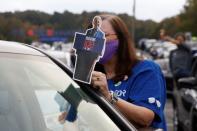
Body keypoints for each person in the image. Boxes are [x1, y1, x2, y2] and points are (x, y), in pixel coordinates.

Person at [91, 14, 167, 130]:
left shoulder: (146, 70)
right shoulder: (89, 75)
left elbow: (146, 118)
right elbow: (67, 118)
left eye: (103, 35)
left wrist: (108, 96)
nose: (97, 41)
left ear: (121, 39)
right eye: (92, 36)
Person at [73, 16, 105, 83]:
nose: (97, 23)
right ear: (93, 23)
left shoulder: (101, 34)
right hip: (85, 54)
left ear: (100, 23)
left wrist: (98, 56)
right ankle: (79, 81)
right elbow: (85, 41)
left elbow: (100, 45)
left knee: (88, 72)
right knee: (82, 70)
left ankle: (86, 82)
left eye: (98, 22)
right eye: (96, 22)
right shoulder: (88, 31)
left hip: (93, 56)